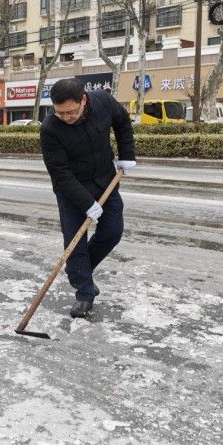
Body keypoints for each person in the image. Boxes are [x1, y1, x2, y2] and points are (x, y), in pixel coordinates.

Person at [40, 79, 136, 318]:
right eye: (60, 113)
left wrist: (127, 155)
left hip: (105, 181)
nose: (66, 117)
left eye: (71, 112)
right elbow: (60, 173)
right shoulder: (50, 128)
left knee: (112, 231)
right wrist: (86, 203)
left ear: (83, 100)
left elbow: (122, 122)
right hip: (71, 190)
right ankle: (84, 293)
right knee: (75, 242)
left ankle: (79, 271)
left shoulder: (103, 102)